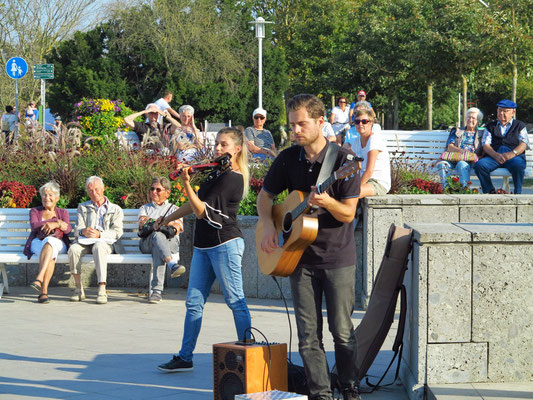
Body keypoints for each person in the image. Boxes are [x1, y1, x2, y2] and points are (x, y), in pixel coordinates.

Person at [257, 94, 362, 400]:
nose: (296, 130)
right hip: (298, 258)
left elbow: (348, 214)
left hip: (337, 258)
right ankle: (321, 394)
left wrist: (327, 201)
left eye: (302, 124)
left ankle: (348, 386)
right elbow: (266, 198)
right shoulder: (288, 159)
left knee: (342, 332)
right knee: (307, 336)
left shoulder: (344, 163)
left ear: (320, 122)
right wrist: (267, 225)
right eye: (292, 125)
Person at [156, 127, 252, 373]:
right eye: (217, 144)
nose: (218, 149)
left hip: (225, 243)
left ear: (237, 149)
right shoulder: (217, 172)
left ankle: (249, 352)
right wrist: (167, 219)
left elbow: (202, 211)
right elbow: (194, 204)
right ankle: (185, 356)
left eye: (224, 145)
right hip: (204, 245)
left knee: (235, 301)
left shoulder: (233, 177)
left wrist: (186, 182)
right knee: (194, 303)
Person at [68, 176, 124, 304]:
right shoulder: (83, 207)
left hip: (106, 243)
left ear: (103, 188)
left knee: (99, 246)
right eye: (91, 191)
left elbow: (117, 232)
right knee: (73, 249)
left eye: (97, 189)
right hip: (85, 242)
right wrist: (83, 231)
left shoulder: (115, 209)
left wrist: (100, 234)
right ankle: (78, 288)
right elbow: (77, 229)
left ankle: (102, 288)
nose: (94, 193)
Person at [138, 177, 185, 304]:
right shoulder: (144, 208)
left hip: (169, 243)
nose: (154, 192)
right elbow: (143, 225)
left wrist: (163, 225)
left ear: (167, 192)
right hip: (147, 243)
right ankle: (171, 264)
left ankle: (157, 291)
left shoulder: (175, 209)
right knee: (157, 237)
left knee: (158, 241)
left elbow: (175, 229)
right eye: (152, 189)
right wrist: (155, 224)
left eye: (158, 189)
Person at [24, 181, 72, 304]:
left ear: (57, 198)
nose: (47, 198)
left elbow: (68, 230)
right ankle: (43, 291)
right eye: (44, 195)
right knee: (50, 253)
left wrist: (55, 224)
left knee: (50, 241)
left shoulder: (63, 212)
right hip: (37, 242)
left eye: (50, 195)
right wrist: (56, 222)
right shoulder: (35, 211)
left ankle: (39, 279)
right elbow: (34, 225)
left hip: (59, 243)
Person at [473, 99, 530, 194]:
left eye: (505, 111)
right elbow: (485, 144)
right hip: (494, 156)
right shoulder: (490, 126)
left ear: (513, 112)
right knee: (479, 165)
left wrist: (511, 154)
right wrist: (495, 155)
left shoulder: (519, 125)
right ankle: (490, 191)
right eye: (500, 110)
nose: (501, 113)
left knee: (518, 166)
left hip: (513, 157)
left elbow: (524, 143)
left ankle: (517, 193)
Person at [345, 109, 390, 198]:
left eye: (364, 121)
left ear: (371, 123)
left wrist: (355, 187)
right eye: (357, 122)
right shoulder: (356, 142)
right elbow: (351, 165)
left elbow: (369, 171)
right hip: (363, 180)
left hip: (377, 182)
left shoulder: (374, 140)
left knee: (351, 193)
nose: (360, 124)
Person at [438, 107, 484, 188]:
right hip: (452, 158)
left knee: (462, 164)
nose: (470, 120)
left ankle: (464, 190)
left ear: (478, 121)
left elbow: (484, 150)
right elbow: (449, 147)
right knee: (442, 165)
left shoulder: (481, 134)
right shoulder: (457, 131)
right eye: (468, 117)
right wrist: (462, 151)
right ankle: (446, 189)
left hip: (469, 161)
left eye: (473, 118)